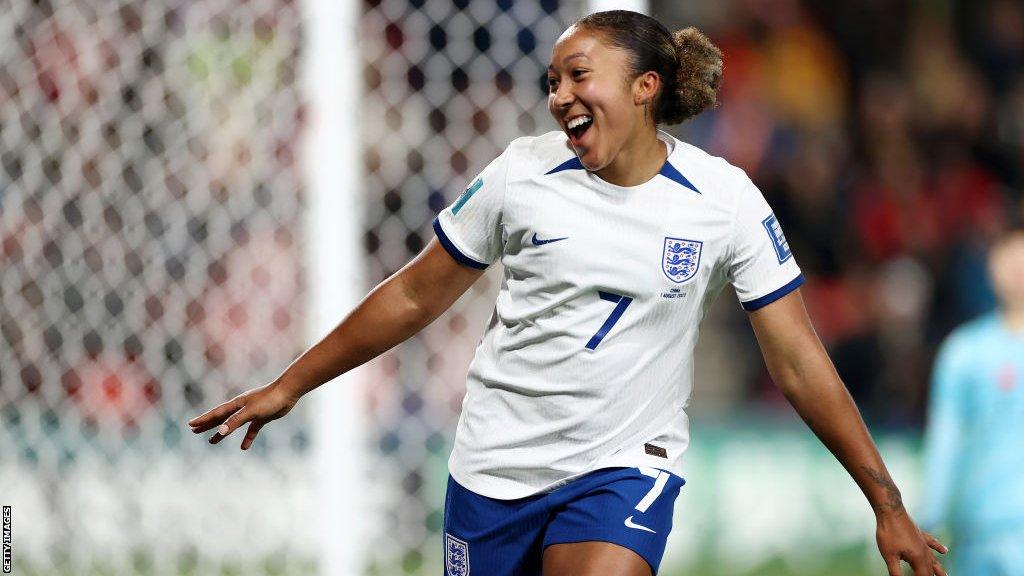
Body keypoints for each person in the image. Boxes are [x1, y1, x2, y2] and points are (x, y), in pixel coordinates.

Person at [188, 10, 948, 576]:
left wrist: (886, 503)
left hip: (624, 466)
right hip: (492, 469)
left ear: (645, 88)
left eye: (579, 74)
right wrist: (291, 385)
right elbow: (416, 296)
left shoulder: (726, 200)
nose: (559, 95)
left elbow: (796, 360)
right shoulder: (521, 174)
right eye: (553, 81)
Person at [921, 227, 1024, 576]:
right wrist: (928, 520)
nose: (1018, 266)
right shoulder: (963, 352)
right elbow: (945, 440)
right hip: (979, 530)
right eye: (1008, 254)